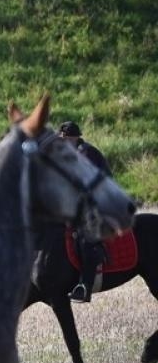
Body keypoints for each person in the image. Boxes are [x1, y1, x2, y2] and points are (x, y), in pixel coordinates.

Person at [58, 120, 110, 303]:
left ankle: (85, 286)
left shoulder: (86, 153)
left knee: (86, 237)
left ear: (74, 138)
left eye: (65, 140)